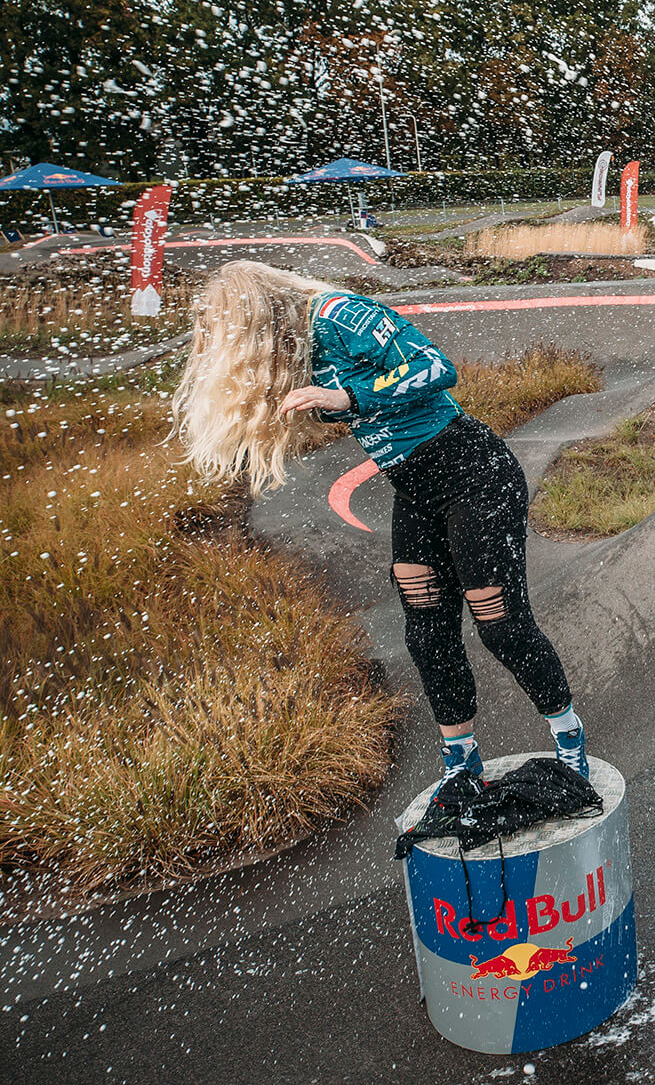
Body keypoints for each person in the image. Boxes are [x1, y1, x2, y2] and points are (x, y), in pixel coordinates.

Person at [170, 260, 588, 802]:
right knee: (426, 628)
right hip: (416, 489)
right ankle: (461, 759)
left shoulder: (340, 313)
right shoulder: (301, 348)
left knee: (499, 622)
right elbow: (350, 404)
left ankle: (568, 737)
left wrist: (349, 399)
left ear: (256, 315)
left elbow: (436, 368)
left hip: (472, 474)